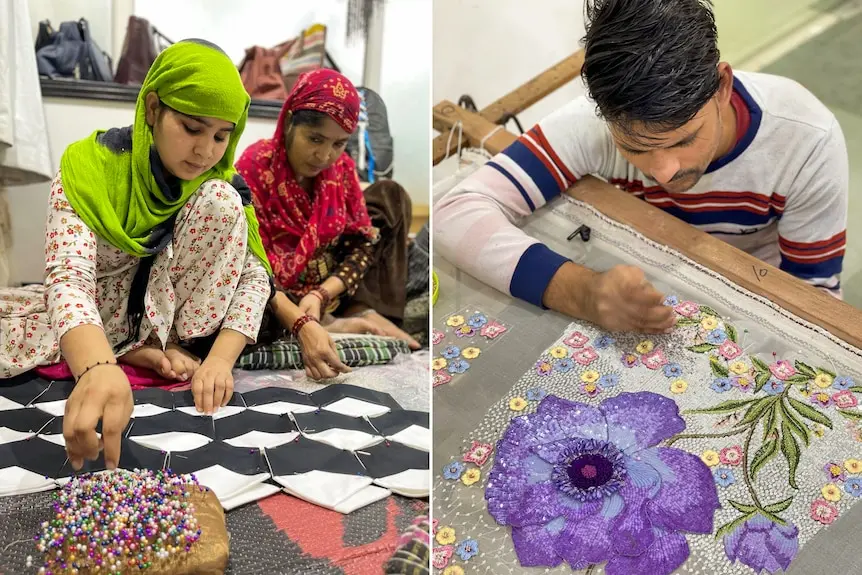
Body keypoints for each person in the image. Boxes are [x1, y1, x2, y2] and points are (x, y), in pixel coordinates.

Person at [433, 0, 849, 334]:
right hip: (637, 289)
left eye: (685, 139)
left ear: (722, 87)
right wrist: (581, 291)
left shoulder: (806, 140)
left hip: (756, 301)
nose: (665, 172)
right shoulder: (590, 124)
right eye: (634, 147)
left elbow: (815, 304)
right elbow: (453, 214)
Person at [0, 40, 274, 471]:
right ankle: (127, 347)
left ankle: (146, 344)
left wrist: (220, 361)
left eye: (222, 135)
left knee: (221, 201)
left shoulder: (222, 184)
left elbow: (256, 277)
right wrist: (95, 366)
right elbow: (68, 277)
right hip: (93, 317)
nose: (205, 151)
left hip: (170, 329)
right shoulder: (89, 169)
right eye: (191, 127)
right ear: (152, 109)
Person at [236, 68, 419, 380]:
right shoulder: (256, 167)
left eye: (338, 144)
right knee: (244, 290)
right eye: (315, 139)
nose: (324, 155)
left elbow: (362, 246)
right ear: (291, 121)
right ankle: (334, 324)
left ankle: (354, 312)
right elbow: (249, 263)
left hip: (328, 288)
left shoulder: (341, 170)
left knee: (391, 196)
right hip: (278, 298)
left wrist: (321, 295)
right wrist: (300, 316)